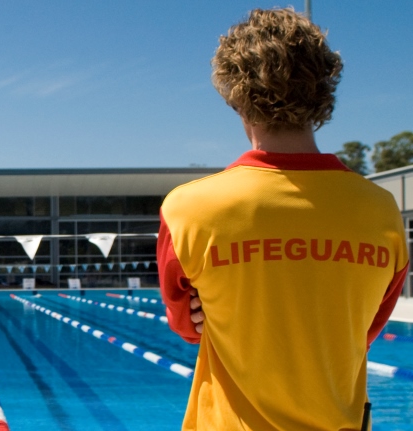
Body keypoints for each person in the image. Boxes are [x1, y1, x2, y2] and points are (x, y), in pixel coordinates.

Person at [157, 8, 408, 430]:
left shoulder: (189, 209)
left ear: (235, 96)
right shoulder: (380, 211)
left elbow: (188, 327)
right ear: (323, 92)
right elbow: (362, 332)